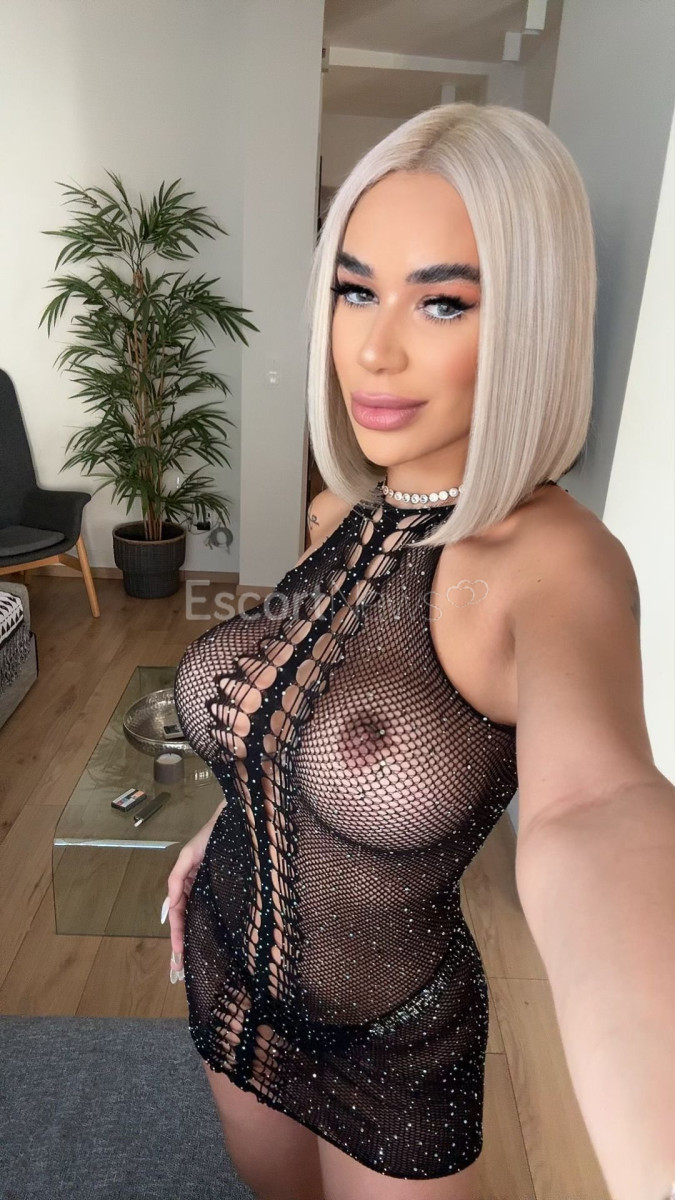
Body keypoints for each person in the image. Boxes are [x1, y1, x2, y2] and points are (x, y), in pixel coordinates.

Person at [164, 102, 675, 1200]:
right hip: (225, 967)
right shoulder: (338, 509)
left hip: (386, 1047)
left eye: (442, 301)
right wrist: (231, 816)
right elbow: (302, 698)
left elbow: (598, 810)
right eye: (356, 290)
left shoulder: (556, 564)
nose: (374, 348)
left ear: (531, 322)